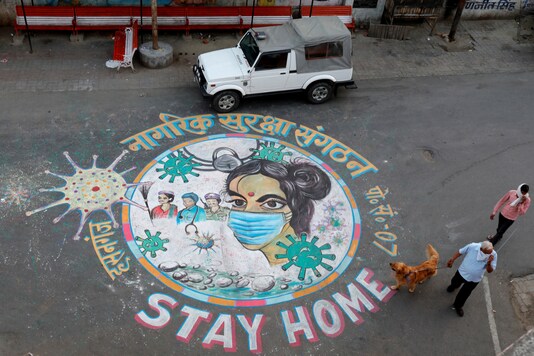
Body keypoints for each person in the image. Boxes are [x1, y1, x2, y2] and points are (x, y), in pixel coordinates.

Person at [224, 158, 331, 265]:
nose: (248, 214)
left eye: (271, 204)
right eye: (239, 202)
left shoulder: (303, 260)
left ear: (297, 208)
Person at [446, 241, 497, 317]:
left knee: (465, 293)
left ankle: (458, 306)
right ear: (481, 249)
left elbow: (489, 271)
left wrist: (489, 263)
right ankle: (453, 286)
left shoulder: (493, 255)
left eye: (491, 251)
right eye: (487, 252)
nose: (490, 253)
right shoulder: (472, 246)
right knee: (454, 282)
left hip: (474, 279)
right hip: (462, 273)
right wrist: (452, 259)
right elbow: (460, 252)